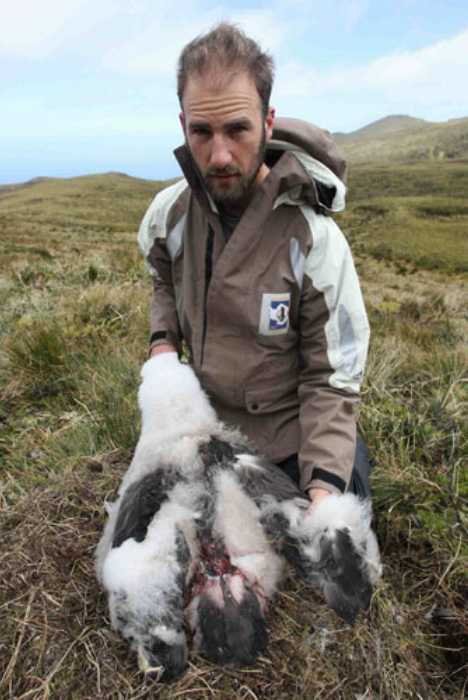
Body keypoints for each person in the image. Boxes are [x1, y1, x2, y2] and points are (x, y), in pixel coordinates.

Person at [138, 23, 372, 508]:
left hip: (293, 439)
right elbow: (161, 277)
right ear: (183, 124)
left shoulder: (314, 238)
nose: (219, 155)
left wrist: (323, 489)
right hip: (204, 430)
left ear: (267, 123)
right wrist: (164, 346)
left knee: (327, 533)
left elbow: (333, 377)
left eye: (237, 129)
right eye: (201, 132)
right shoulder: (170, 215)